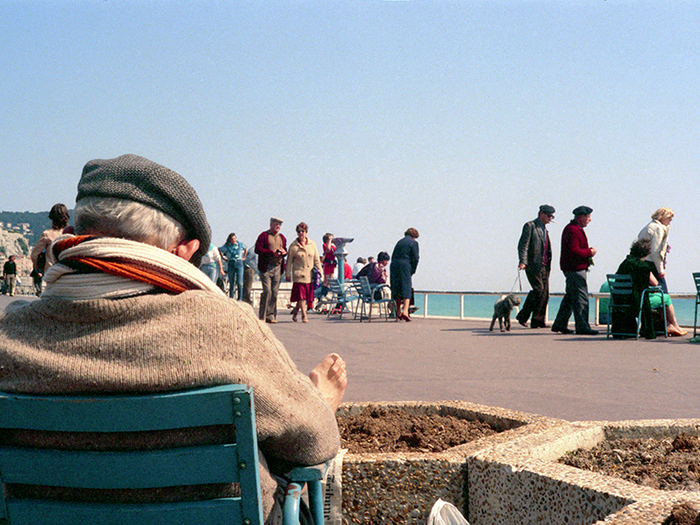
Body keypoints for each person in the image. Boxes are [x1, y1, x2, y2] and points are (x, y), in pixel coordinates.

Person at [0, 154, 346, 525]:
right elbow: (314, 444)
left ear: (78, 234)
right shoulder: (226, 328)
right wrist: (320, 403)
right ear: (183, 250)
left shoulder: (11, 335)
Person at [612, 239, 686, 338]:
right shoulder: (642, 266)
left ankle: (668, 325)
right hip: (637, 302)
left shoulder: (624, 264)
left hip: (619, 301)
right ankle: (672, 325)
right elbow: (655, 283)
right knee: (666, 298)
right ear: (646, 253)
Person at [551, 206, 598, 335]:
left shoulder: (572, 229)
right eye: (588, 217)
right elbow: (575, 250)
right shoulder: (573, 230)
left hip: (571, 268)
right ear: (581, 217)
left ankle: (559, 324)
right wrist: (590, 252)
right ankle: (582, 326)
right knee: (581, 297)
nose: (589, 220)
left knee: (571, 297)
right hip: (575, 268)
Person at [516, 205, 555, 328]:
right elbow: (523, 245)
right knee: (538, 289)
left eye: (552, 216)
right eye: (549, 215)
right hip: (533, 264)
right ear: (541, 214)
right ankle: (523, 315)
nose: (550, 218)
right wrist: (523, 261)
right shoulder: (530, 226)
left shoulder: (544, 229)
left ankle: (538, 320)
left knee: (544, 293)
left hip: (544, 266)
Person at [285, 222, 322, 323]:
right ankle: (304, 315)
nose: (301, 233)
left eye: (303, 231)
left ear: (306, 232)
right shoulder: (293, 246)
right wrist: (287, 274)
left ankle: (295, 312)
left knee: (305, 297)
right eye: (299, 231)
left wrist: (320, 272)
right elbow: (288, 262)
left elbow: (317, 260)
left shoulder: (312, 244)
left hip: (309, 275)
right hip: (299, 275)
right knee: (301, 296)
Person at [30, 203, 70, 294]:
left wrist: (38, 266)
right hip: (68, 271)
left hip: (52, 271)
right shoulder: (73, 233)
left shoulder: (47, 234)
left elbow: (34, 255)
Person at [255, 218, 287, 324]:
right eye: (276, 224)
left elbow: (285, 250)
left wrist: (283, 252)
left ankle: (271, 315)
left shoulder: (282, 237)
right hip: (266, 268)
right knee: (267, 291)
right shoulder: (264, 235)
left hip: (278, 267)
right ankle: (262, 316)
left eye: (279, 225)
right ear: (271, 225)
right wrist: (271, 252)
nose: (277, 226)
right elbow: (257, 249)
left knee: (274, 293)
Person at [637, 207, 674, 294]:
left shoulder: (648, 226)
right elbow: (655, 251)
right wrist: (660, 270)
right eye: (669, 218)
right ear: (662, 217)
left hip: (643, 263)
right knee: (663, 294)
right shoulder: (658, 228)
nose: (670, 221)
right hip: (651, 264)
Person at [390, 228, 420, 322]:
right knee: (406, 288)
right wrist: (412, 271)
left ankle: (398, 311)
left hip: (394, 265)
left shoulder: (399, 242)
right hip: (405, 265)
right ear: (414, 236)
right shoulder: (413, 243)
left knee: (397, 287)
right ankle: (405, 311)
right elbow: (415, 258)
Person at [220, 233, 248, 300]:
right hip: (231, 263)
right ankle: (231, 298)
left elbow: (246, 248)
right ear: (230, 240)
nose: (234, 240)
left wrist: (244, 257)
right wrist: (223, 258)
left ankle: (240, 298)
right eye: (232, 239)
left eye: (235, 238)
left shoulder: (240, 244)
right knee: (231, 282)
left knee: (239, 282)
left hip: (239, 263)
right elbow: (219, 249)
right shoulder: (227, 246)